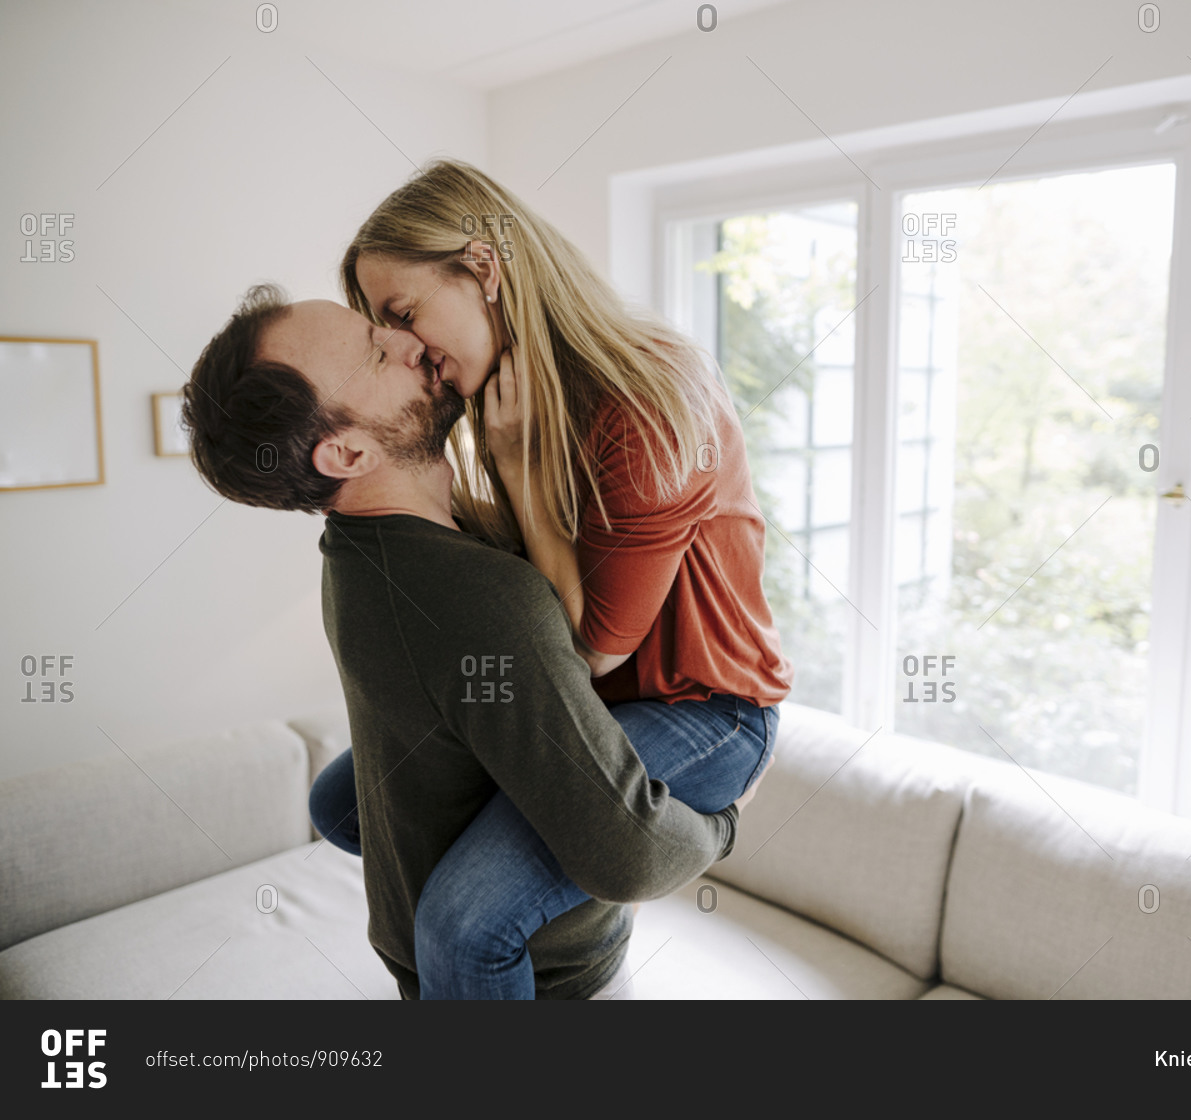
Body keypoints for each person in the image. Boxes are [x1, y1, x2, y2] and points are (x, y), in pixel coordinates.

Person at [181, 284, 767, 1000]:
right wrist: (728, 821)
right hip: (538, 985)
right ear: (348, 451)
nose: (409, 341)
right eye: (376, 354)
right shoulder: (482, 603)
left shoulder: (353, 553)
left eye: (382, 324)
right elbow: (628, 857)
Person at [305, 159, 793, 997]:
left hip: (703, 710)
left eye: (405, 313)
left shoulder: (648, 407)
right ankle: (583, 880)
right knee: (341, 806)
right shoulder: (507, 392)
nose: (411, 349)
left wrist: (520, 474)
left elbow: (591, 651)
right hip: (594, 698)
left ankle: (627, 871)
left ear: (485, 269)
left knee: (463, 922)